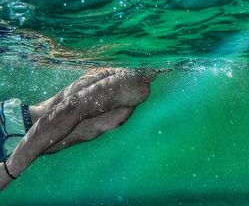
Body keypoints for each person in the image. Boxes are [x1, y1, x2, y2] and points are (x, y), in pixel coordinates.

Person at [0, 67, 157, 190]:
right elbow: (71, 108)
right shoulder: (133, 83)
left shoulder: (132, 82)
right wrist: (9, 171)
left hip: (18, 130)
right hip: (17, 131)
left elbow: (71, 108)